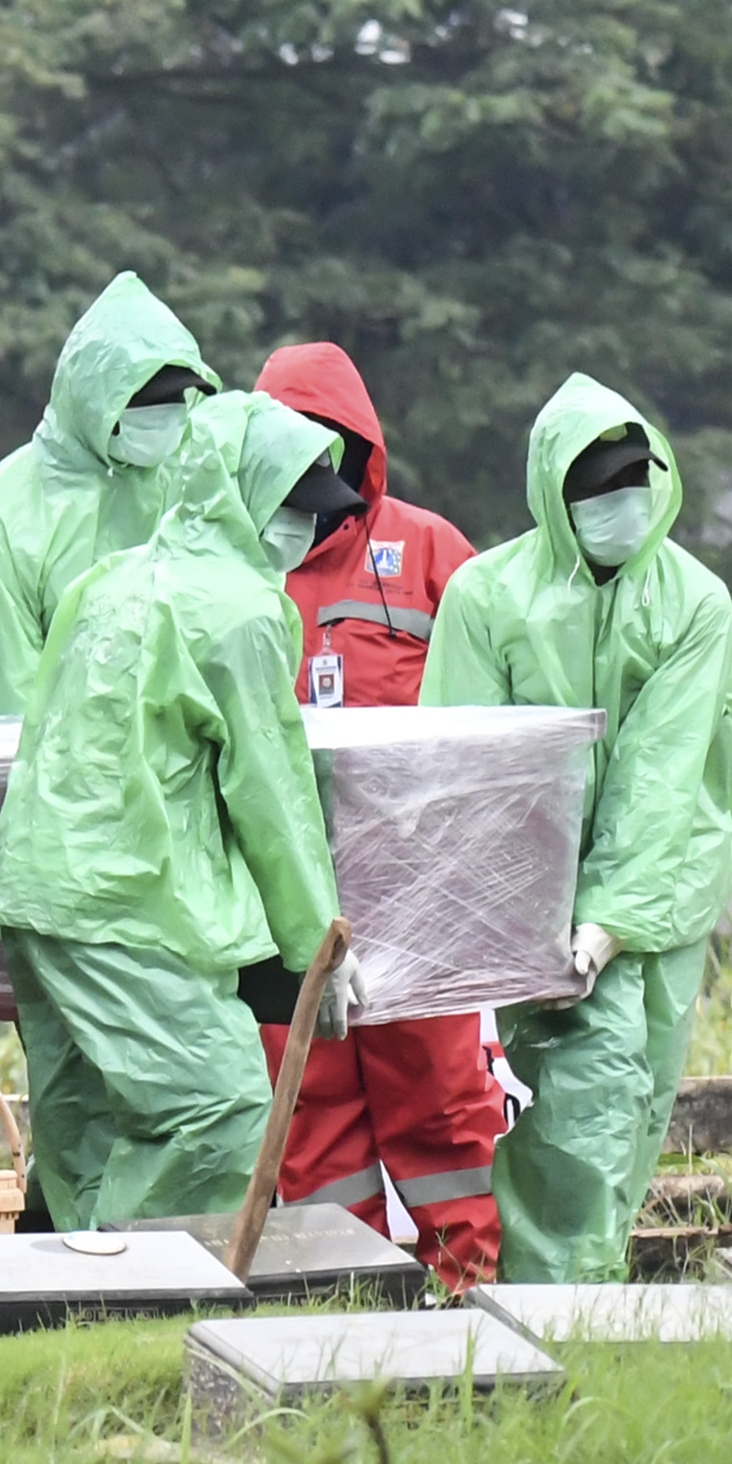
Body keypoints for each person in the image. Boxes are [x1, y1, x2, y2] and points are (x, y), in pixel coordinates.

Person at [0, 391, 358, 1225]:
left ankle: (58, 1322)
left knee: (84, 1124)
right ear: (236, 496)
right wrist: (319, 947)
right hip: (133, 900)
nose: (303, 532)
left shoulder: (105, 579)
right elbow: (272, 792)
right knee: (218, 1108)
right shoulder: (242, 612)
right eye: (291, 510)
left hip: (37, 891)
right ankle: (131, 1297)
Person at [424, 377, 732, 1285]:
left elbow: (664, 778)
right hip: (516, 915)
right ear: (555, 493)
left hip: (647, 906)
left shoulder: (690, 602)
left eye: (635, 480)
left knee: (622, 1108)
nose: (622, 502)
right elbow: (464, 767)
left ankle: (564, 1307)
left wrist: (603, 925)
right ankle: (551, 1313)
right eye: (600, 485)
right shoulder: (489, 596)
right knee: (554, 1114)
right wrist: (502, 927)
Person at [247, 341, 503, 1287]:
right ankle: (337, 1302)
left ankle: (466, 1295)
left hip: (420, 899)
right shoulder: (237, 571)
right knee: (309, 1112)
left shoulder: (434, 554)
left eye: (331, 447)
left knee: (442, 1103)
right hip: (283, 904)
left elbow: (501, 721)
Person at [0, 273, 222, 721]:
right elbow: (0, 713)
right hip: (52, 785)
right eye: (147, 400)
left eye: (176, 399)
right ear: (95, 401)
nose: (166, 416)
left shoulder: (190, 485)